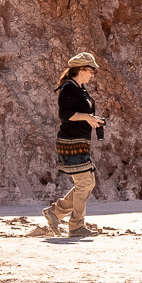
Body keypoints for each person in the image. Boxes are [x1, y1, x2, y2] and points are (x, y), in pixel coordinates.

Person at [43, 51, 104, 237]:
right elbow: (65, 115)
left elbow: (79, 114)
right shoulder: (69, 88)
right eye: (91, 70)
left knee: (87, 182)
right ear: (82, 69)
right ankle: (76, 225)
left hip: (79, 141)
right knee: (85, 183)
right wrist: (87, 117)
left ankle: (56, 212)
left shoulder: (80, 88)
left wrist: (92, 119)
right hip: (70, 142)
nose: (93, 74)